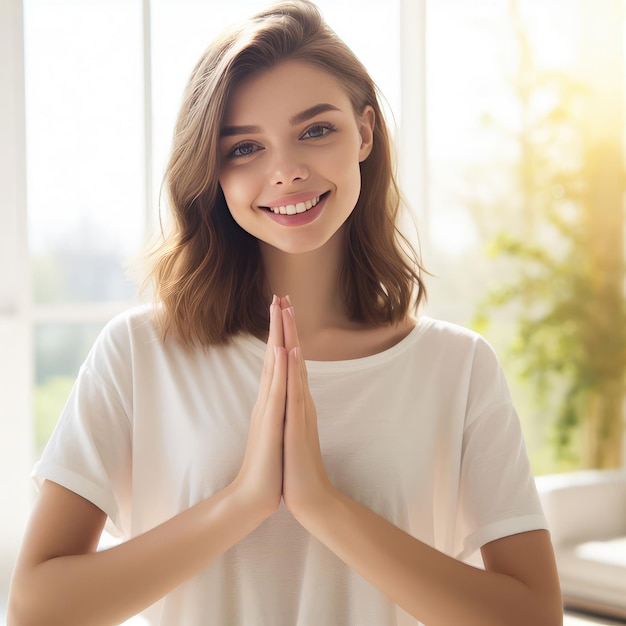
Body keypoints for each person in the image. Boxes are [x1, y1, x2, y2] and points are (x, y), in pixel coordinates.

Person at [8, 2, 563, 625]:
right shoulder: (139, 352)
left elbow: (533, 615)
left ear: (365, 134)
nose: (286, 171)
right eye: (244, 147)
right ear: (212, 173)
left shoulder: (457, 367)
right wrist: (244, 501)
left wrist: (323, 505)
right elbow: (36, 606)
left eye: (316, 130)